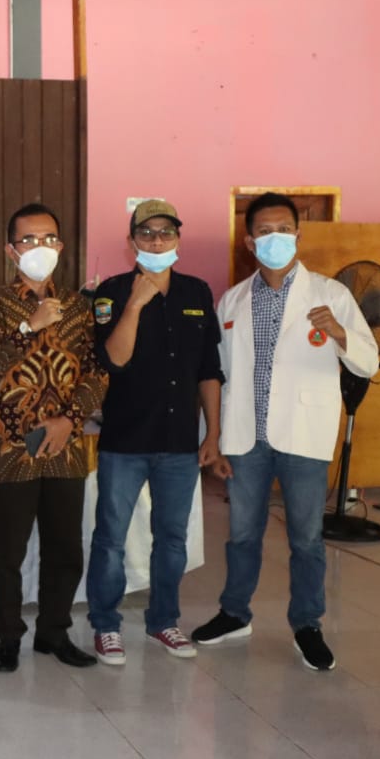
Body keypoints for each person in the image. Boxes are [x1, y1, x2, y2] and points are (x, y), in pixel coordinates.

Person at [191, 192, 378, 671]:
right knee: (241, 535)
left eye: (283, 229)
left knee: (306, 538)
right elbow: (216, 374)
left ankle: (307, 624)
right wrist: (211, 438)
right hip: (245, 438)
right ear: (249, 241)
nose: (274, 238)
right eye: (264, 231)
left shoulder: (331, 295)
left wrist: (340, 333)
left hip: (303, 436)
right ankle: (235, 614)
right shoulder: (232, 299)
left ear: (298, 234)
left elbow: (368, 361)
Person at [85, 199, 224, 666]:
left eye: (166, 232)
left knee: (172, 538)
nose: (157, 241)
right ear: (132, 242)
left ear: (178, 239)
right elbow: (114, 359)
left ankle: (163, 620)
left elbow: (209, 370)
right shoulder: (111, 292)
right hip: (125, 440)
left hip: (179, 442)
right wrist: (136, 305)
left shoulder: (196, 292)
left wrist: (213, 434)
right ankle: (106, 625)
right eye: (147, 233)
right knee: (111, 537)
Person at [0, 203, 107, 673]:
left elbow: (97, 372)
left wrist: (70, 419)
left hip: (66, 446)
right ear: (11, 250)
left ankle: (54, 632)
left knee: (66, 548)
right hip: (11, 446)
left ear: (61, 245)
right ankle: (8, 636)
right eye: (29, 240)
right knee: (7, 551)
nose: (40, 247)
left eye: (48, 238)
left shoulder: (79, 306)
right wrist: (28, 326)